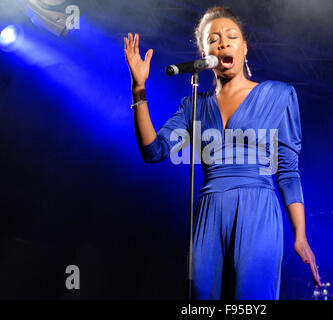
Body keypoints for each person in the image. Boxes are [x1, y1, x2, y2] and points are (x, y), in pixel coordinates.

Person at [124, 6, 321, 300]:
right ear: (204, 55)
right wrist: (138, 89)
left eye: (231, 37)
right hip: (210, 211)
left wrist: (300, 235)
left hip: (258, 209)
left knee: (252, 298)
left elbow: (288, 171)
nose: (223, 43)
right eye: (213, 39)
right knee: (202, 298)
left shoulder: (278, 95)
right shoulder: (194, 104)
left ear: (244, 48)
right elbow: (153, 151)